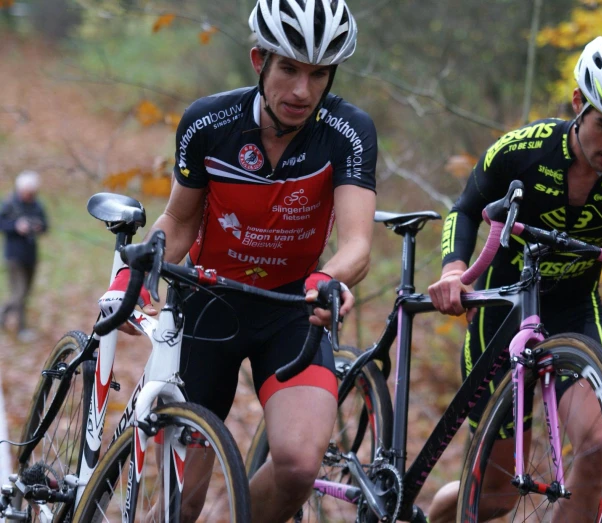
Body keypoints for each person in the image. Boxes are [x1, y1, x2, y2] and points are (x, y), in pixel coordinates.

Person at [99, 0, 377, 520]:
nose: (302, 91)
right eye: (289, 69)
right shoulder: (210, 122)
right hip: (207, 304)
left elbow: (358, 243)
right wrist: (132, 276)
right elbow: (179, 222)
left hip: (291, 305)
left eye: (319, 74)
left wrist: (329, 279)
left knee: (297, 465)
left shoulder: (348, 131)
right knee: (183, 504)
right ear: (259, 61)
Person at [426, 30, 602, 522]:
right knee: (498, 497)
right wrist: (454, 270)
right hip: (502, 311)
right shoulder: (523, 150)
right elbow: (464, 210)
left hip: (574, 310)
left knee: (598, 445)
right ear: (578, 102)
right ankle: (433, 513)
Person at [0, 170, 48, 343]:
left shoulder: (37, 205)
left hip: (31, 255)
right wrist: (16, 226)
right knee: (19, 293)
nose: (29, 195)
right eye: (27, 192)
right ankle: (21, 329)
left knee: (25, 293)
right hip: (14, 255)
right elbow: (2, 224)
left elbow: (45, 226)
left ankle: (3, 314)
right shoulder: (10, 203)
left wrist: (37, 226)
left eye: (32, 192)